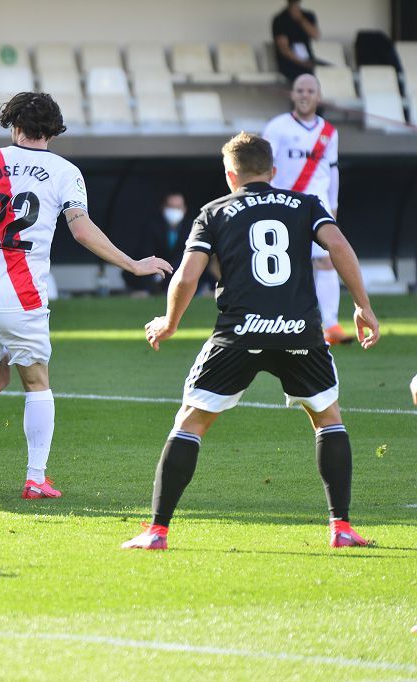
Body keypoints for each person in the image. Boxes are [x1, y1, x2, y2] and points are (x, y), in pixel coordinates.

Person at [122, 132, 379, 551]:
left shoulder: (213, 211)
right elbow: (338, 246)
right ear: (273, 171)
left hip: (239, 332)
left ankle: (157, 532)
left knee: (191, 422)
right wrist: (363, 305)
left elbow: (187, 276)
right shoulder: (305, 204)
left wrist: (169, 323)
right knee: (328, 418)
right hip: (300, 331)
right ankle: (341, 528)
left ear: (230, 175)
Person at [0, 92, 173, 498]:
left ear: (13, 126)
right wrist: (131, 264)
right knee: (36, 382)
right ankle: (35, 477)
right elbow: (81, 230)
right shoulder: (65, 172)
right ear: (54, 130)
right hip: (19, 294)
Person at [263, 74, 350, 345]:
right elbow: (263, 168)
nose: (304, 94)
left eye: (310, 90)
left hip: (319, 207)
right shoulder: (276, 127)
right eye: (299, 89)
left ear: (318, 96)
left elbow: (332, 172)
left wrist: (333, 206)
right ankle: (281, 322)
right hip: (285, 205)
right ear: (292, 94)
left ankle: (332, 324)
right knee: (286, 265)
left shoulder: (329, 132)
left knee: (325, 260)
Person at [123, 192, 194, 297]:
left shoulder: (192, 228)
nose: (174, 211)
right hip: (148, 276)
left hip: (178, 276)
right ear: (163, 208)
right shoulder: (151, 226)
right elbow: (145, 254)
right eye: (171, 207)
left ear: (184, 209)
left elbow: (187, 258)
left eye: (178, 207)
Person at [272, 0, 320, 82]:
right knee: (304, 75)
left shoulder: (308, 16)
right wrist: (302, 62)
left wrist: (301, 19)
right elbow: (284, 49)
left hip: (307, 58)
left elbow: (315, 35)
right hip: (290, 62)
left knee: (328, 70)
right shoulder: (279, 19)